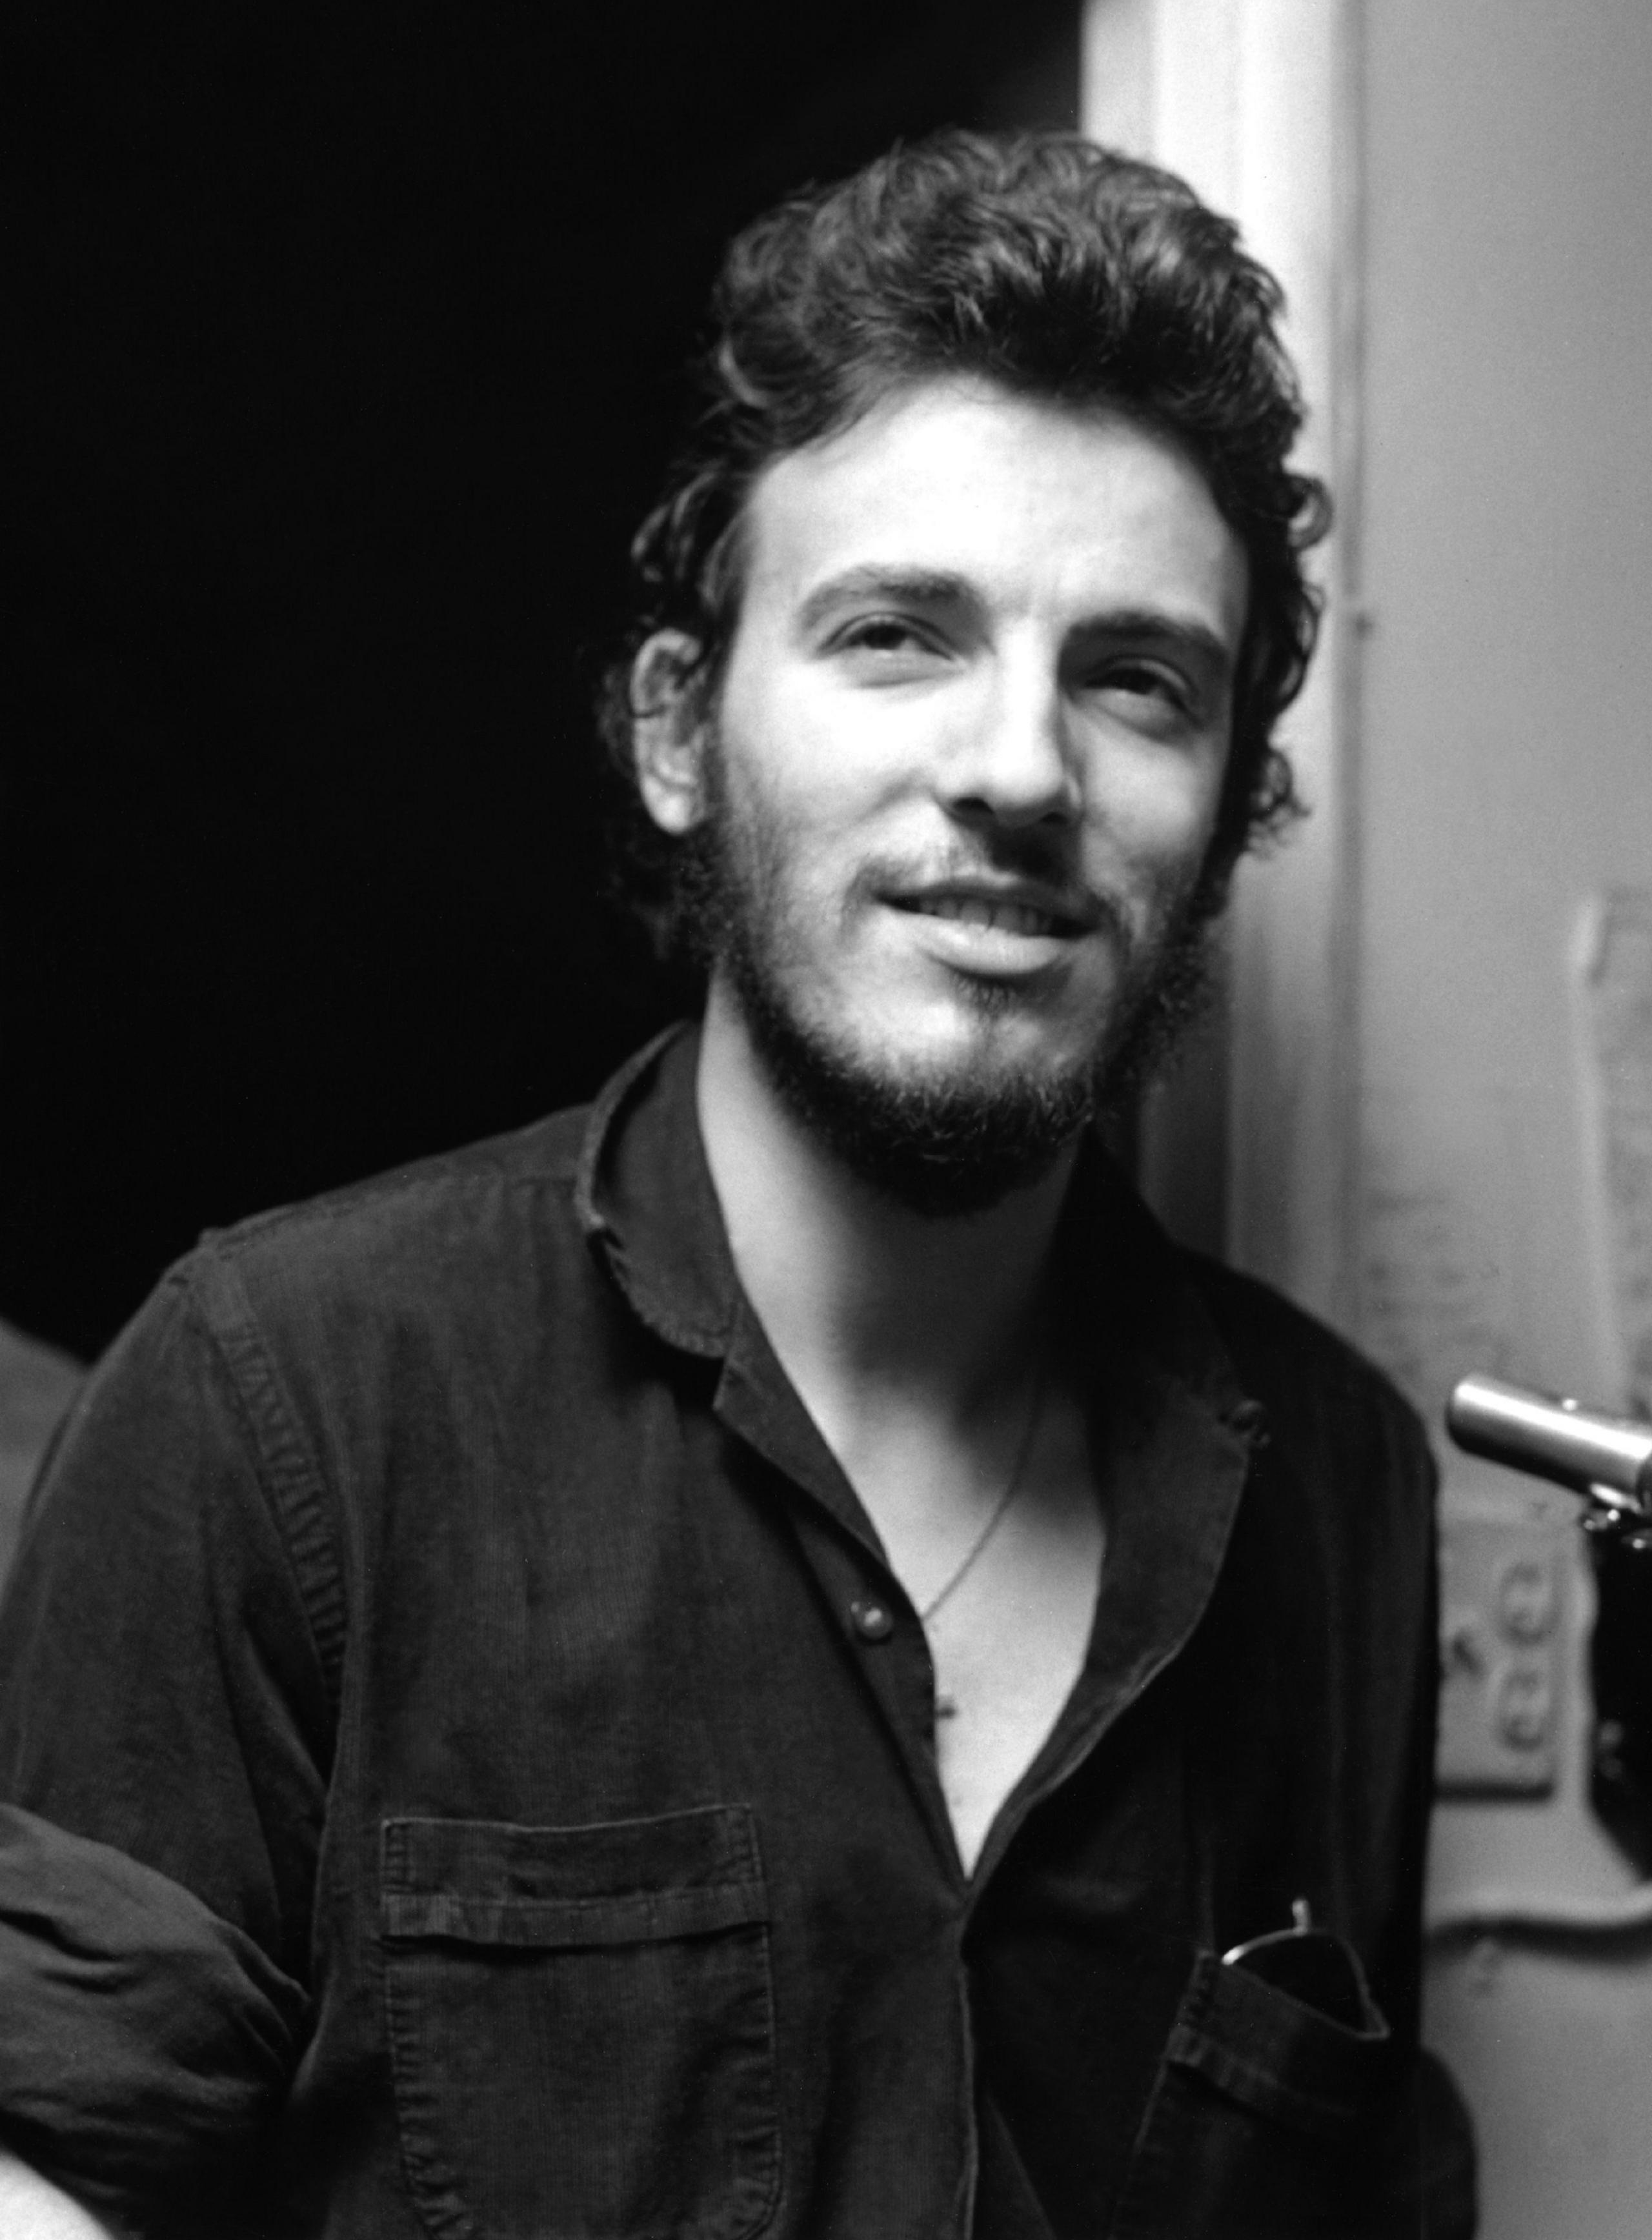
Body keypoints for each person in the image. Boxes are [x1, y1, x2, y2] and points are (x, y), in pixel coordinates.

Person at [0, 132, 1474, 2239]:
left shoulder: (1344, 1494)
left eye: (1139, 680)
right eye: (898, 636)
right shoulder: (277, 1405)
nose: (1023, 770)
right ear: (684, 731)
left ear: (1229, 809)